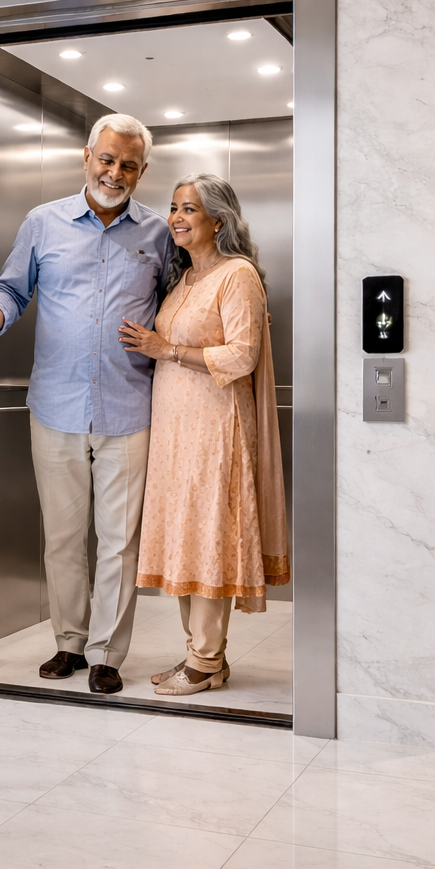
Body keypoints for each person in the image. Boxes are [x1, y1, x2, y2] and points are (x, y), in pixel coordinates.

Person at [0, 113, 172, 695]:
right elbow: (12, 287)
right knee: (61, 535)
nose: (115, 172)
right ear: (87, 156)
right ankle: (69, 644)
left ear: (142, 169)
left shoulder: (157, 233)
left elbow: (175, 305)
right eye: (107, 159)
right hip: (54, 404)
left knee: (119, 540)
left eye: (128, 164)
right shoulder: (43, 222)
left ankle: (109, 652)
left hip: (130, 407)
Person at [119, 174, 289, 695]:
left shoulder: (237, 276)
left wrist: (163, 349)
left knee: (210, 536)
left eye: (189, 208)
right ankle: (198, 655)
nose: (176, 217)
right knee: (185, 539)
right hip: (175, 434)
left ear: (220, 218)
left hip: (217, 430)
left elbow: (243, 355)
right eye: (173, 208)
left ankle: (207, 658)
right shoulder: (184, 281)